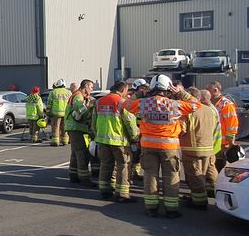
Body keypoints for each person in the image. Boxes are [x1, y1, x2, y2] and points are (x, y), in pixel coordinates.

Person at [123, 74, 199, 218]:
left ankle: (151, 207)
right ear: (168, 88)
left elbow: (125, 104)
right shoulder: (174, 104)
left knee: (150, 176)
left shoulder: (144, 103)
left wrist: (139, 95)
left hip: (147, 145)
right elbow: (196, 104)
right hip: (169, 147)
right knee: (171, 176)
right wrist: (181, 92)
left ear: (151, 88)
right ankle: (171, 209)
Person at [94, 80, 139, 202]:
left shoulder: (99, 101)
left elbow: (94, 121)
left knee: (106, 165)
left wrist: (95, 134)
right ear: (123, 90)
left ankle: (104, 190)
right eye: (127, 90)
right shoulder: (122, 102)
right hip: (119, 141)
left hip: (102, 140)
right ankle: (122, 194)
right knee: (123, 166)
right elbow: (130, 122)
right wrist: (135, 137)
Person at [179, 88, 222, 210]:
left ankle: (199, 201)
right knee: (203, 174)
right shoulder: (210, 110)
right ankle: (201, 196)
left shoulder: (188, 111)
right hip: (208, 148)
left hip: (192, 149)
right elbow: (215, 127)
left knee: (195, 176)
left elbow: (181, 130)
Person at [207, 81, 239, 184]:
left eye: (208, 90)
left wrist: (230, 142)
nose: (207, 92)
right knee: (214, 165)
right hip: (214, 141)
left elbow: (232, 124)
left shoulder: (226, 104)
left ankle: (220, 185)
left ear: (215, 90)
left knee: (220, 165)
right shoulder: (211, 103)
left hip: (223, 143)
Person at [65, 79, 95, 184]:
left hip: (73, 128)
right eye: (91, 87)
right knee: (82, 153)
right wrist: (89, 116)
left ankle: (73, 175)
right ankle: (84, 178)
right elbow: (79, 107)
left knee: (75, 153)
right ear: (85, 86)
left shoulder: (78, 95)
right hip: (75, 128)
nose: (92, 89)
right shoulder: (78, 96)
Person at [47, 79, 72, 146]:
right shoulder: (69, 92)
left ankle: (55, 141)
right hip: (66, 113)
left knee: (55, 127)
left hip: (56, 113)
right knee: (64, 127)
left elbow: (49, 103)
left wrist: (48, 111)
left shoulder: (54, 92)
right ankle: (65, 141)